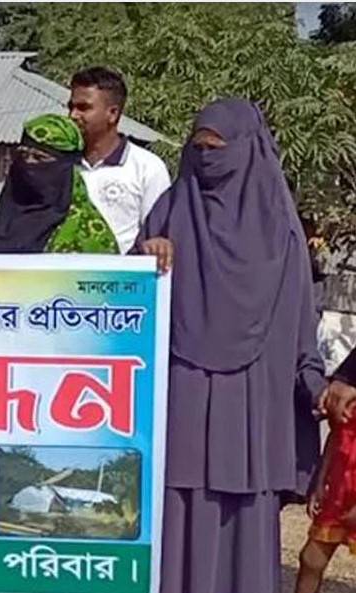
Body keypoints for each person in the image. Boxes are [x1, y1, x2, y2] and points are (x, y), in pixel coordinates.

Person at [135, 98, 324, 593]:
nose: (207, 158)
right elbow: (128, 301)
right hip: (181, 389)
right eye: (198, 148)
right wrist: (145, 255)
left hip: (252, 397)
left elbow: (299, 321)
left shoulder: (278, 227)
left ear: (248, 150)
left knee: (246, 512)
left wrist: (313, 382)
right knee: (174, 503)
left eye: (218, 148)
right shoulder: (171, 209)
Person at [0, 113, 120, 265]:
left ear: (66, 166)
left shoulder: (89, 232)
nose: (28, 164)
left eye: (40, 158)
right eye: (23, 155)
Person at [67, 66, 171, 254]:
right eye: (71, 107)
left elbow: (157, 235)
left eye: (83, 108)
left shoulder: (147, 168)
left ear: (112, 113)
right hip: (64, 271)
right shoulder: (60, 164)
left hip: (122, 272)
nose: (73, 115)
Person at [296, 347, 356, 593]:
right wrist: (320, 483)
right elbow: (336, 435)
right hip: (340, 491)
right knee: (311, 558)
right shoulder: (347, 389)